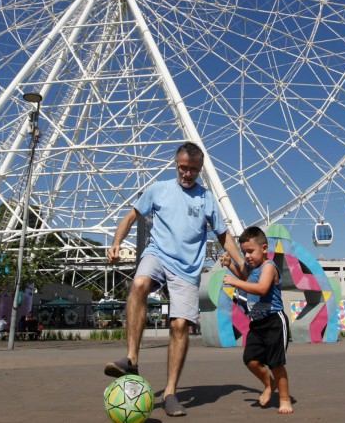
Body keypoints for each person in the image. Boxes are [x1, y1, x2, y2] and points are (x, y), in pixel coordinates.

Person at [104, 142, 245, 417]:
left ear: (200, 170)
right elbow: (131, 216)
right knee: (139, 284)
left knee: (180, 325)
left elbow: (223, 234)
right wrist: (116, 242)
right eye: (183, 168)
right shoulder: (158, 189)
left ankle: (170, 392)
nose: (187, 174)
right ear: (175, 164)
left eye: (193, 169)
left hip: (187, 268)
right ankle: (132, 358)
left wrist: (240, 261)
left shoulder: (206, 199)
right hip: (158, 253)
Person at [222, 226, 293, 414]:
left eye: (250, 251)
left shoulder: (269, 267)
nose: (247, 256)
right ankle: (269, 384)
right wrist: (230, 265)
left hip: (274, 322)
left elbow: (261, 288)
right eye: (244, 252)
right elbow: (245, 277)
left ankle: (285, 399)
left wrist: (235, 282)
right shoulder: (253, 269)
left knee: (276, 364)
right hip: (257, 324)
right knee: (250, 360)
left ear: (264, 248)